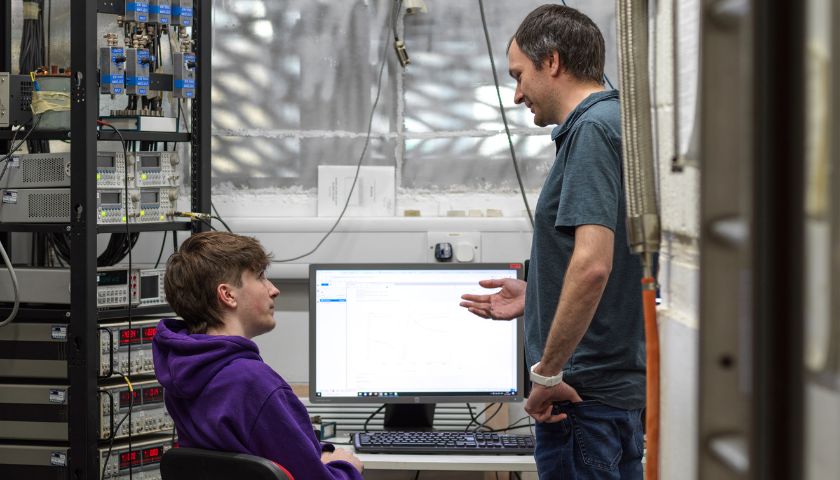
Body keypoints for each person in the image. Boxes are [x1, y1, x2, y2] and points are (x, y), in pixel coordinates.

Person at [460, 5, 645, 479]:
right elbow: (616, 264)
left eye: (519, 75)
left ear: (553, 62)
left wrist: (546, 376)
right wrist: (538, 293)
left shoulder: (591, 131)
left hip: (580, 400)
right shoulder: (618, 120)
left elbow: (593, 267)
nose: (518, 94)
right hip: (609, 395)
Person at [153, 231, 363, 480]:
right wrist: (346, 467)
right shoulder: (253, 383)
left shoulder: (184, 374)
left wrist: (319, 455)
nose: (274, 290)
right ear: (228, 295)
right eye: (261, 276)